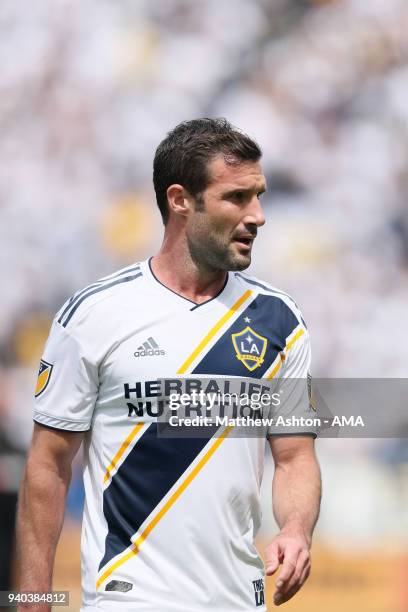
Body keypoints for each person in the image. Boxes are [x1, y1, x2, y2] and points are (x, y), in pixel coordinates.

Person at [17, 118, 321, 611]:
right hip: (127, 598)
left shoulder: (279, 321)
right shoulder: (94, 314)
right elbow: (47, 465)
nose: (259, 215)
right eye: (237, 197)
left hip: (238, 599)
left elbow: (294, 457)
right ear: (180, 200)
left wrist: (295, 529)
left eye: (259, 195)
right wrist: (32, 598)